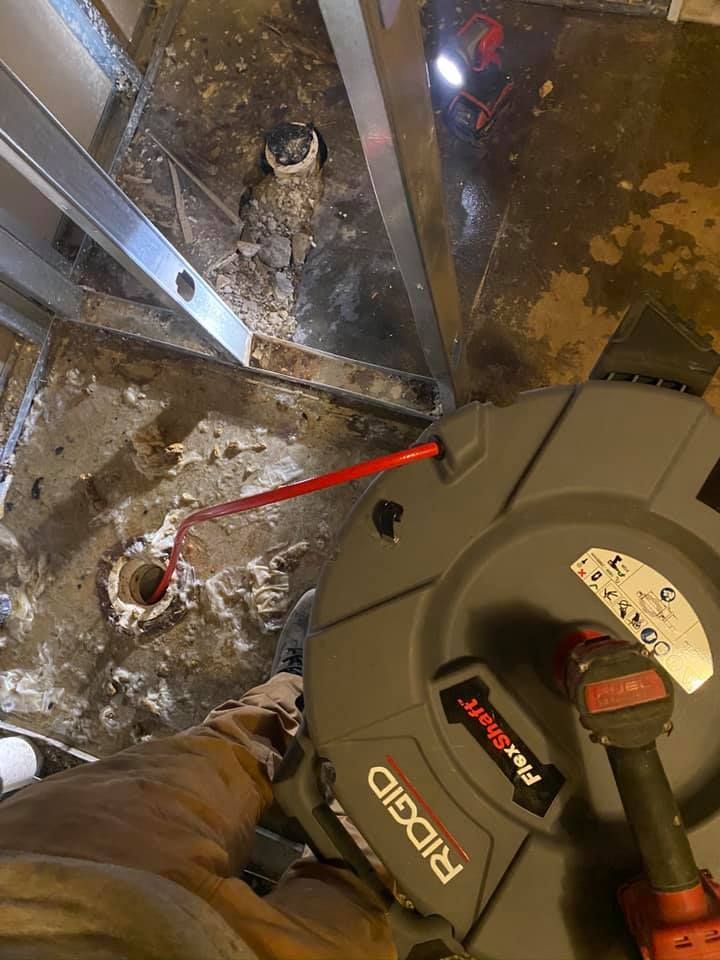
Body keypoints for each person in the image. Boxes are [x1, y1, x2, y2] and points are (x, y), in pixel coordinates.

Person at [0, 591, 396, 959]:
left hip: (33, 891)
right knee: (356, 895)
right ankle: (388, 771)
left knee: (209, 763)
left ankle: (290, 698)